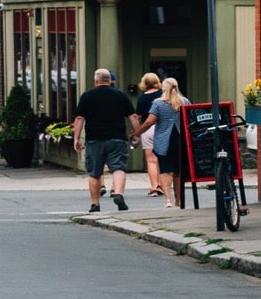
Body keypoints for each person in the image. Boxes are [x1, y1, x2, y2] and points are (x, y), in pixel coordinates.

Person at [73, 68, 139, 213]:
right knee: (118, 168)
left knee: (95, 172)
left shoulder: (87, 96)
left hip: (94, 139)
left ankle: (95, 204)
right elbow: (133, 116)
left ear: (96, 81)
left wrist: (76, 138)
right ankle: (119, 194)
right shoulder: (120, 94)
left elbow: (79, 118)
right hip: (117, 138)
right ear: (109, 80)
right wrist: (137, 134)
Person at [133, 77, 187, 207]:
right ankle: (178, 201)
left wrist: (137, 132)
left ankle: (168, 199)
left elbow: (149, 122)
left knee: (165, 171)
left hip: (164, 141)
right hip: (180, 140)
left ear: (164, 88)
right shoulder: (185, 102)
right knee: (178, 173)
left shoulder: (158, 103)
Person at [135, 72, 163, 197]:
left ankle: (154, 187)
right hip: (162, 128)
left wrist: (135, 132)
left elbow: (139, 117)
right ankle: (162, 184)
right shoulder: (163, 96)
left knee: (150, 160)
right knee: (161, 159)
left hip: (148, 129)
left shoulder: (142, 98)